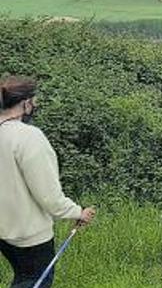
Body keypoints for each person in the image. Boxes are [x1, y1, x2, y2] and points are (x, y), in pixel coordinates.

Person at [0, 76, 96, 288]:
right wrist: (77, 212)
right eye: (34, 101)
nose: (35, 105)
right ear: (25, 103)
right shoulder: (29, 137)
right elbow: (48, 195)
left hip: (4, 233)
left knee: (22, 277)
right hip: (29, 236)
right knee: (33, 281)